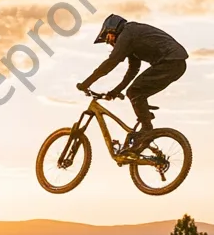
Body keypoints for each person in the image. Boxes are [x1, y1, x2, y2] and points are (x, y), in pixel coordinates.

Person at [76, 14, 188, 158]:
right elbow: (132, 70)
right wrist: (116, 91)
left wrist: (86, 83)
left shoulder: (127, 34)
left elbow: (111, 62)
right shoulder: (132, 37)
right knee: (136, 92)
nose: (110, 44)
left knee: (135, 92)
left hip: (170, 61)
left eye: (108, 38)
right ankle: (144, 131)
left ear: (113, 29)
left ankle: (146, 128)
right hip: (175, 63)